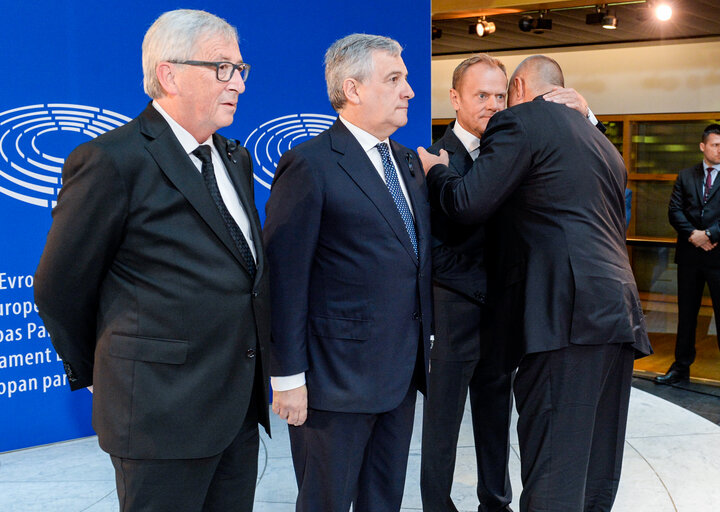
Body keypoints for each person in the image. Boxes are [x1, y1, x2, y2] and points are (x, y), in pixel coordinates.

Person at [34, 9, 270, 511]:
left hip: (236, 411)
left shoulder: (235, 156)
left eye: (240, 69)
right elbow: (58, 286)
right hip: (159, 414)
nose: (238, 84)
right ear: (169, 73)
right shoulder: (111, 160)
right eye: (222, 67)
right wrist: (101, 366)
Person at [419, 55, 651, 511]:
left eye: (501, 95)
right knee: (595, 468)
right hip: (614, 315)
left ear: (519, 89)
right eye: (481, 96)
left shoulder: (520, 124)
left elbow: (466, 203)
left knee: (553, 469)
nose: (495, 106)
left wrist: (434, 172)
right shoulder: (599, 140)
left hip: (562, 318)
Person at [263, 34, 432, 512]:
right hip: (332, 385)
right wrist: (288, 377)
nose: (409, 91)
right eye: (395, 79)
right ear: (353, 89)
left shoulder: (406, 163)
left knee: (384, 502)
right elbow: (285, 276)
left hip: (399, 377)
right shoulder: (310, 164)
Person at [658, 123, 720, 397]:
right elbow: (675, 210)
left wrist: (709, 234)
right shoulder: (686, 175)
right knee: (687, 315)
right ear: (703, 146)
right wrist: (693, 235)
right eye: (715, 145)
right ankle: (680, 368)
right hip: (690, 256)